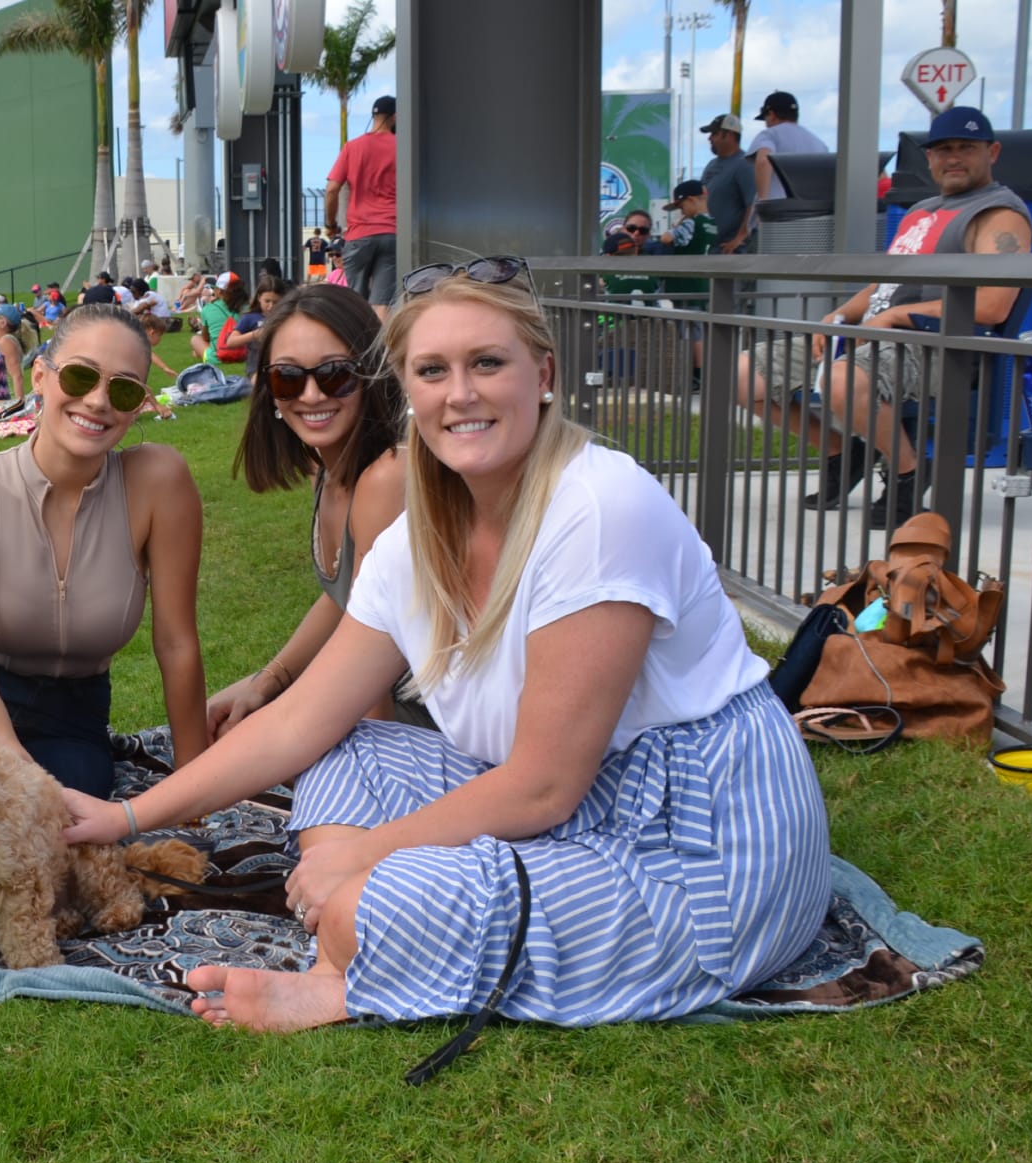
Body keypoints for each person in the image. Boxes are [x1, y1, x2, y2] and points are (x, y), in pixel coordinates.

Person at [62, 268, 829, 1035]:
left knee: (366, 901)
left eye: (487, 364)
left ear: (545, 375)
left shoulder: (598, 508)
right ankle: (357, 931)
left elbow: (542, 788)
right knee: (342, 755)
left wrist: (364, 856)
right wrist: (124, 817)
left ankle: (346, 964)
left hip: (700, 845)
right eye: (433, 371)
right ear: (408, 388)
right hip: (579, 805)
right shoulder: (417, 537)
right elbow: (302, 720)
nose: (459, 394)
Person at [0, 303, 208, 797]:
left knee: (71, 819)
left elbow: (177, 644)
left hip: (73, 712)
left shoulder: (158, 482)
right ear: (40, 376)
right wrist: (25, 786)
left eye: (122, 389)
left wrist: (197, 785)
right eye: (79, 377)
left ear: (139, 403)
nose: (98, 401)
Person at [736, 106, 1032, 526]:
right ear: (929, 158)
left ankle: (908, 473)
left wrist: (897, 318)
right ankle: (845, 450)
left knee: (841, 380)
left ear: (993, 152)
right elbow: (882, 286)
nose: (953, 158)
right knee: (744, 373)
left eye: (967, 148)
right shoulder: (921, 211)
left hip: (937, 345)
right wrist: (837, 317)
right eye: (943, 149)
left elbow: (992, 306)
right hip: (873, 337)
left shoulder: (998, 214)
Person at [209, 282, 424, 737]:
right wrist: (267, 681)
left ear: (371, 375)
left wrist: (365, 777)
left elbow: (374, 667)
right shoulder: (325, 466)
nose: (310, 395)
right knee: (224, 727)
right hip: (372, 697)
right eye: (288, 377)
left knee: (234, 743)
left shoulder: (387, 477)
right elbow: (345, 601)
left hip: (428, 726)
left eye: (335, 375)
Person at [325, 95, 399, 318]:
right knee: (382, 303)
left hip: (359, 233)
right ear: (395, 116)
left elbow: (331, 190)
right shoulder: (402, 147)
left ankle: (356, 349)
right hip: (391, 231)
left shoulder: (352, 147)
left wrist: (331, 224)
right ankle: (379, 352)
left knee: (355, 301)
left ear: (374, 116)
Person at [659, 180, 718, 391]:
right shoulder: (711, 223)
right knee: (698, 328)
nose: (680, 211)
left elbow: (667, 239)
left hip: (685, 284)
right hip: (701, 282)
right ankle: (701, 372)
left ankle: (696, 373)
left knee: (690, 331)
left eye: (681, 207)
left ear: (691, 200)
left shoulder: (690, 223)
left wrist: (676, 226)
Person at [748, 91, 831, 201]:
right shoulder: (820, 144)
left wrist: (763, 201)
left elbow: (763, 161)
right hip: (813, 213)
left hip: (777, 211)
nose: (766, 124)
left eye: (766, 118)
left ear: (772, 114)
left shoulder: (771, 134)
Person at [699, 114, 759, 255]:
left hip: (733, 251)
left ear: (729, 135)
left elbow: (753, 204)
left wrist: (740, 238)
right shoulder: (711, 165)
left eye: (714, 133)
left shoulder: (745, 165)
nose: (710, 138)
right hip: (712, 248)